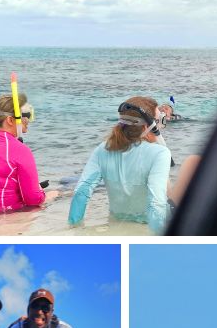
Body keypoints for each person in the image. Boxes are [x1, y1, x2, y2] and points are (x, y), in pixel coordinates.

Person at [68, 97, 171, 233]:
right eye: (159, 122)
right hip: (146, 228)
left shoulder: (103, 149)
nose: (160, 127)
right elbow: (156, 203)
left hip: (116, 222)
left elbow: (82, 191)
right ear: (147, 126)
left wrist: (74, 228)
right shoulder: (160, 153)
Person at [0, 94, 55, 213]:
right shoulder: (19, 149)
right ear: (10, 120)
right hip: (2, 216)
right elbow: (33, 199)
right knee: (56, 193)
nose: (28, 120)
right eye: (26, 116)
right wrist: (40, 191)